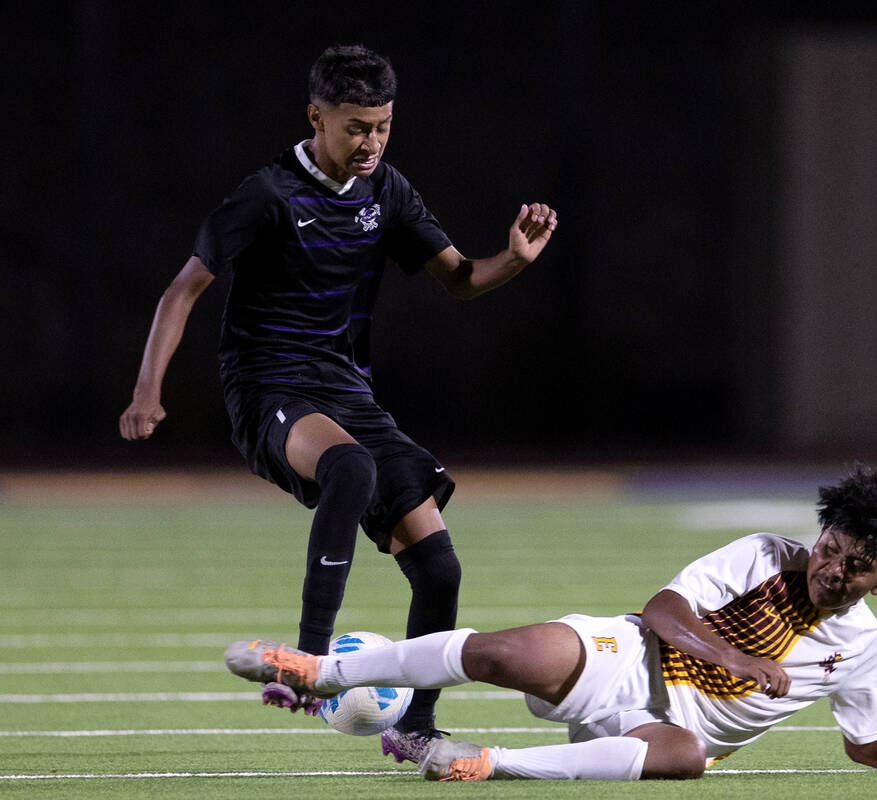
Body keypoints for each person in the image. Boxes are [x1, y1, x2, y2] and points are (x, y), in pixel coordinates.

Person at [119, 43, 558, 763]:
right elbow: (184, 288)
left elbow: (460, 279)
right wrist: (147, 390)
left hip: (347, 392)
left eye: (383, 126)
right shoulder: (267, 194)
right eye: (356, 126)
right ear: (316, 117)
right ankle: (309, 665)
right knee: (350, 469)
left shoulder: (388, 191)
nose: (372, 141)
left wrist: (512, 258)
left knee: (440, 568)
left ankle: (417, 727)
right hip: (268, 390)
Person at [225, 466, 877, 781]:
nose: (832, 566)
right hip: (630, 657)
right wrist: (737, 659)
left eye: (856, 565)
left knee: (688, 758)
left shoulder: (860, 647)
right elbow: (663, 611)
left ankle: (479, 762)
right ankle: (318, 671)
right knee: (508, 652)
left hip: (661, 732)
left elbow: (866, 743)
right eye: (832, 545)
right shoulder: (765, 554)